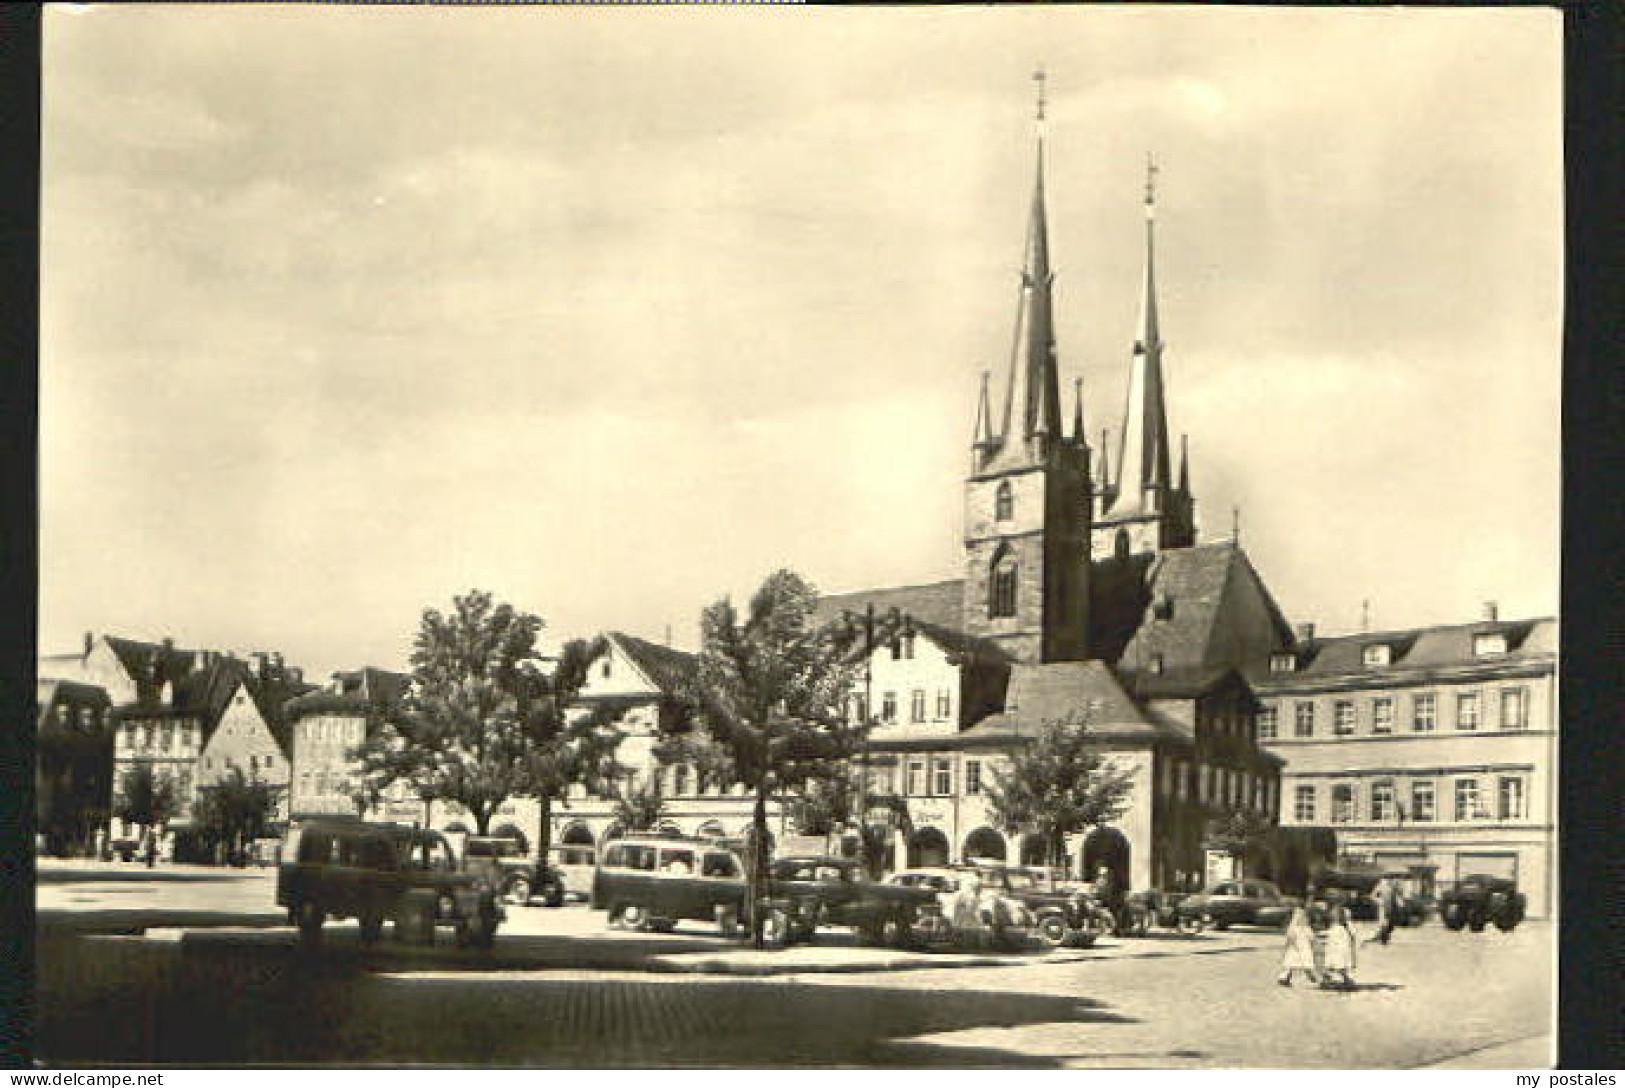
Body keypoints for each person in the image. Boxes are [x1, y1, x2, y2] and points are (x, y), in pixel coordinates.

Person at [1277, 903, 1321, 987]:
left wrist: (1314, 946)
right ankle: (1284, 978)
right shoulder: (1294, 929)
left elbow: (1312, 939)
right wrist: (1286, 948)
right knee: (1290, 964)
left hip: (1304, 949)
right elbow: (1289, 939)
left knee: (1306, 964)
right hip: (1295, 949)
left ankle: (1312, 977)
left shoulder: (1306, 929)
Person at [1321, 900, 1358, 989]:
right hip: (1341, 942)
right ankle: (1346, 980)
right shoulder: (1343, 927)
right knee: (1340, 962)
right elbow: (1352, 932)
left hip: (1335, 942)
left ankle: (1329, 979)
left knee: (1333, 961)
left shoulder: (1333, 927)